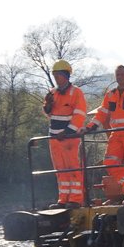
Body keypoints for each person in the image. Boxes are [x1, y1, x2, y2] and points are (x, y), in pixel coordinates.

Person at [86, 65, 124, 202]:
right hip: (116, 134)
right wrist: (90, 126)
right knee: (110, 162)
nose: (120, 77)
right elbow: (102, 112)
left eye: (122, 74)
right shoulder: (110, 94)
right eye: (117, 75)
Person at [43, 59, 87, 208]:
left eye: (59, 74)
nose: (56, 77)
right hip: (54, 138)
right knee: (60, 170)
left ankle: (75, 199)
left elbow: (80, 114)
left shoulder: (76, 93)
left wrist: (68, 132)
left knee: (72, 168)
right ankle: (63, 199)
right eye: (54, 75)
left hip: (69, 138)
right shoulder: (52, 93)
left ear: (66, 75)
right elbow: (50, 114)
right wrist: (47, 107)